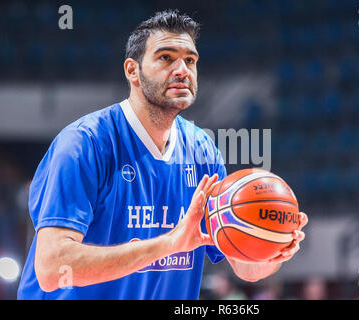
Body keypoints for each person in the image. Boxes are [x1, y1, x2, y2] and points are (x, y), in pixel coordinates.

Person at [17, 9, 307, 300]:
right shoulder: (85, 144)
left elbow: (244, 267)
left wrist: (273, 248)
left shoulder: (202, 150)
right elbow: (52, 268)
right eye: (166, 57)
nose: (182, 69)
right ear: (133, 71)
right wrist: (170, 243)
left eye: (190, 60)